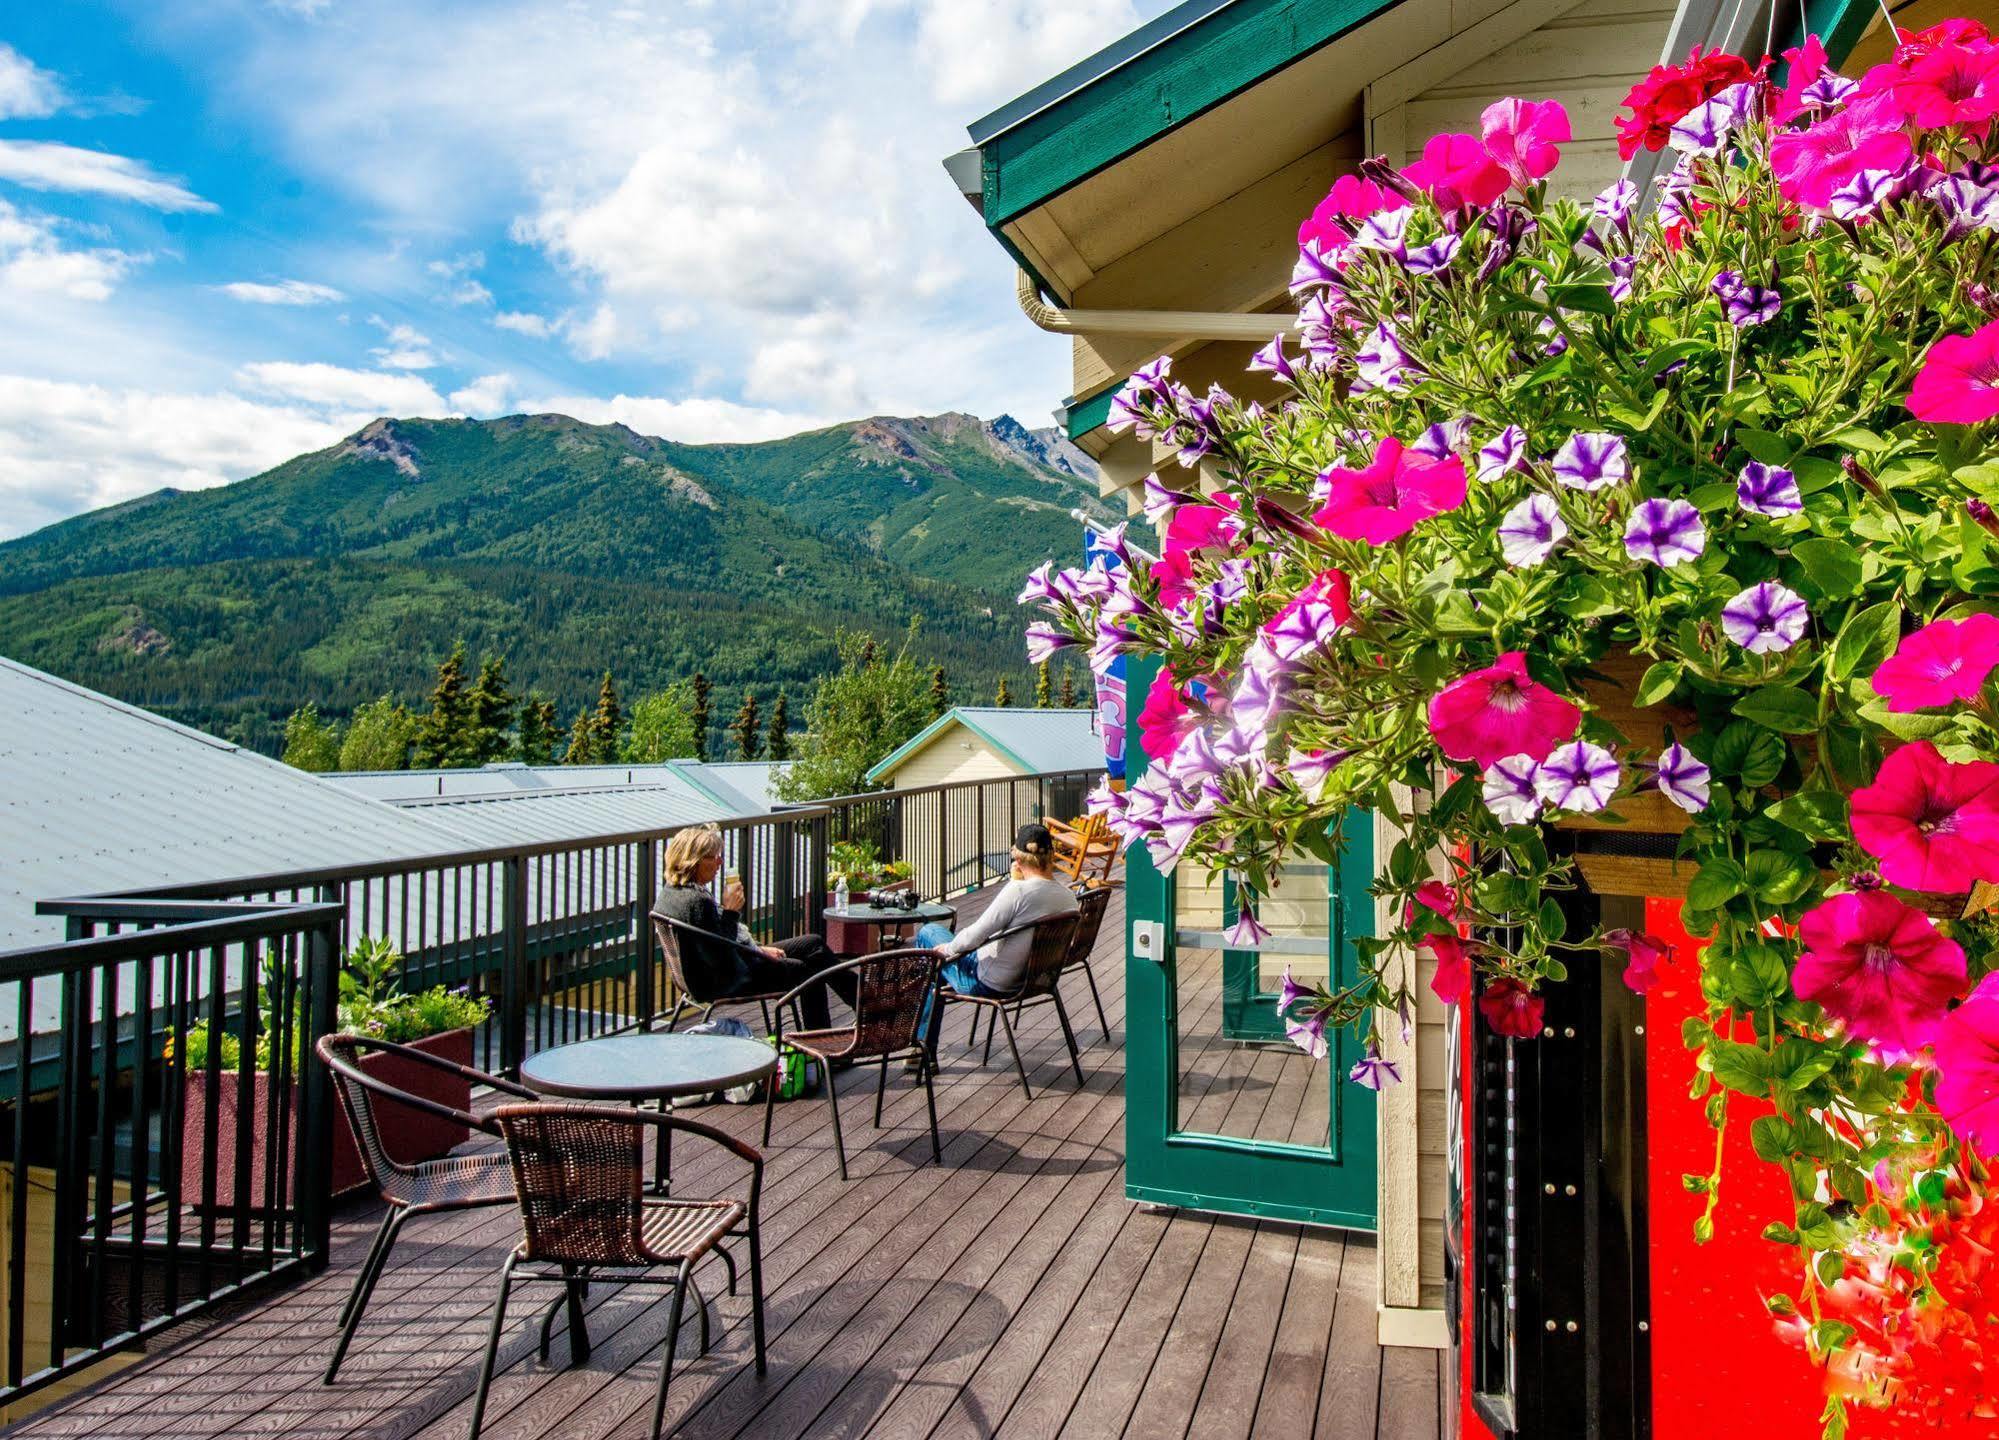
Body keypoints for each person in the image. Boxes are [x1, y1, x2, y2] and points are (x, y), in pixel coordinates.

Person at [651, 825, 854, 1030]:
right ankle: (823, 1043)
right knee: (807, 972)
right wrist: (731, 912)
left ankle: (864, 1002)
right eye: (713, 857)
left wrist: (759, 950)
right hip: (724, 980)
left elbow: (716, 943)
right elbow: (722, 960)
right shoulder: (696, 902)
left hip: (706, 974)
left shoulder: (671, 892)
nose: (720, 862)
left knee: (812, 944)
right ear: (692, 862)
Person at [913, 823, 1079, 1059]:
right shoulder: (1068, 898)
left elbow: (975, 935)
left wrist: (947, 950)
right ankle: (921, 1050)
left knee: (929, 935)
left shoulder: (1018, 892)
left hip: (992, 982)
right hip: (1034, 979)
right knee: (935, 968)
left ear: (1018, 860)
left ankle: (921, 1049)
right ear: (1051, 856)